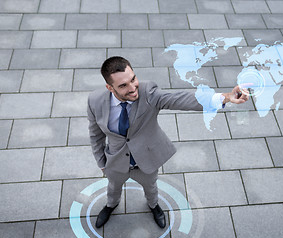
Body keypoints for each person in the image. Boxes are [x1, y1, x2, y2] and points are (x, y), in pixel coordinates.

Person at [87, 56, 249, 229]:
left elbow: (181, 99)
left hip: (146, 159)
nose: (133, 88)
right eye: (123, 85)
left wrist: (225, 97)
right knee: (113, 188)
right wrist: (101, 163)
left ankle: (154, 206)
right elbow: (95, 135)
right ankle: (111, 205)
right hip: (115, 160)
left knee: (151, 187)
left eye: (133, 79)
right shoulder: (95, 101)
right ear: (110, 88)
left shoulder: (148, 92)